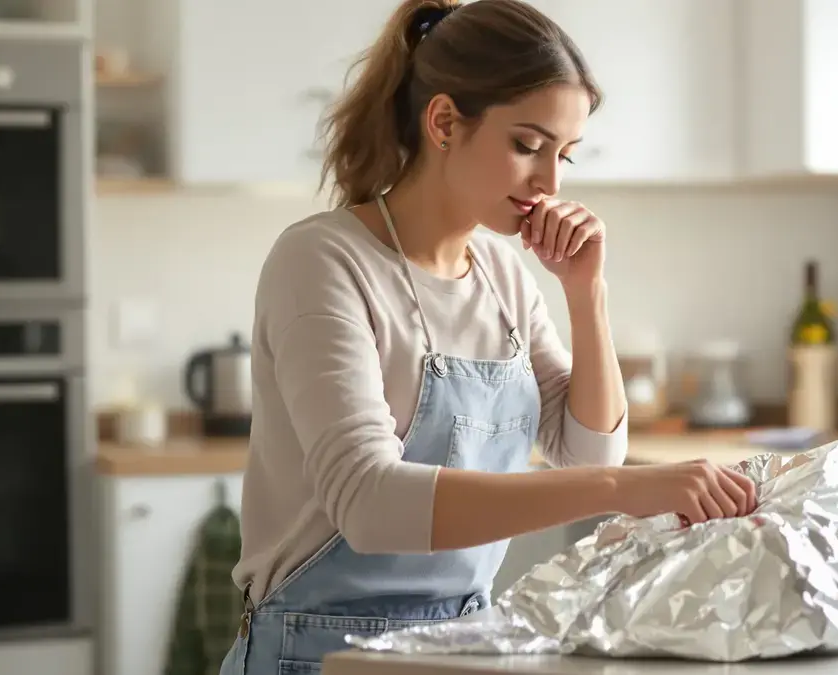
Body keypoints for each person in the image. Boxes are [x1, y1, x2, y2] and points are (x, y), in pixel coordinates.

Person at [218, 0, 758, 672]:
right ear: (444, 122)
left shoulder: (502, 271)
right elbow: (369, 502)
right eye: (527, 145)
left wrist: (586, 291)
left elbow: (586, 447)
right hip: (317, 649)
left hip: (464, 644)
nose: (550, 182)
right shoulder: (323, 261)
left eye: (565, 154)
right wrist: (621, 492)